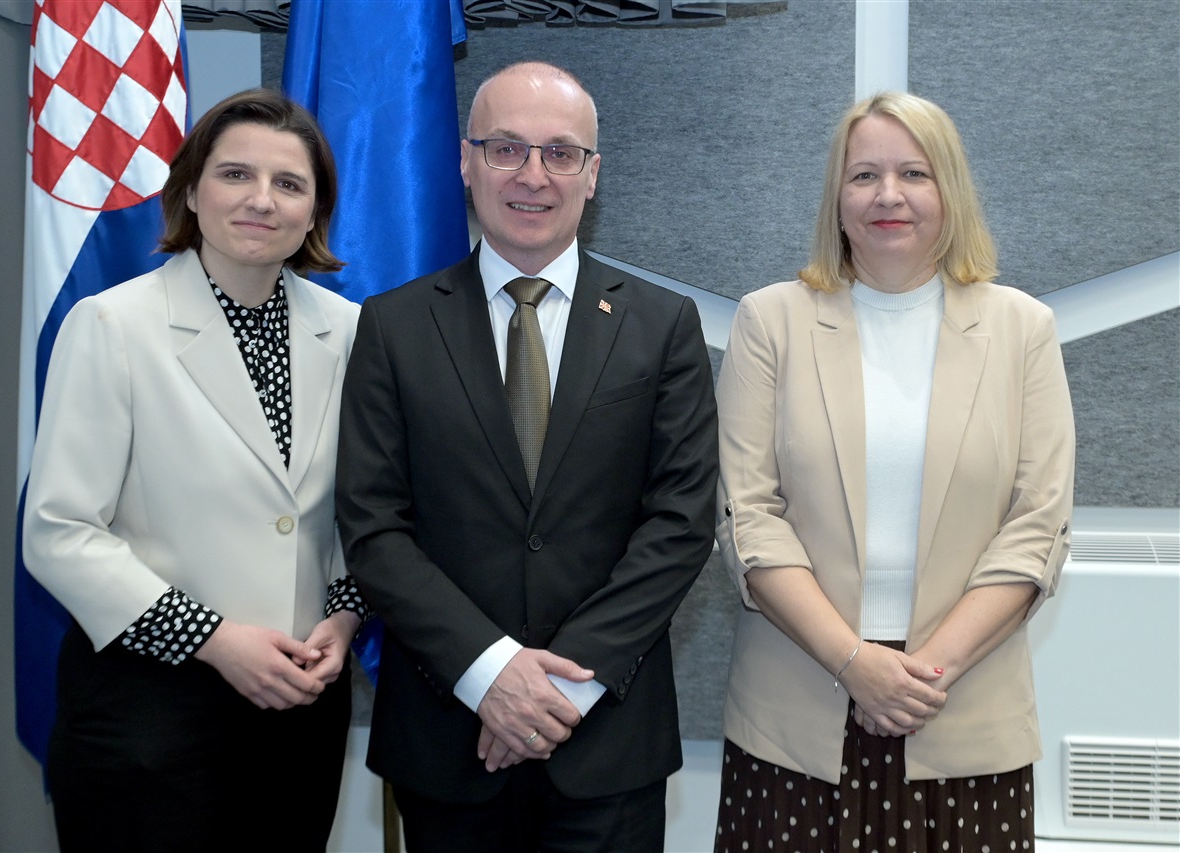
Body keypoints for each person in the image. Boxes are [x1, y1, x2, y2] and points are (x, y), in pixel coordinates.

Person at [336, 61, 719, 852]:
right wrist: (488, 674)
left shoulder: (663, 325)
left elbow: (681, 524)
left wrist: (556, 689)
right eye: (506, 148)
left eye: (560, 153)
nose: (533, 175)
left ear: (593, 174)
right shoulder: (393, 326)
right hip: (447, 740)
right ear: (466, 162)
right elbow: (373, 527)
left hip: (608, 742)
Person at [713, 91, 1075, 852]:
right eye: (864, 175)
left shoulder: (1023, 329)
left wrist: (920, 675)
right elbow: (749, 517)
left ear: (950, 191)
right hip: (797, 712)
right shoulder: (769, 321)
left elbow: (1038, 525)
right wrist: (855, 663)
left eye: (914, 173)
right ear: (837, 199)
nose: (888, 195)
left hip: (962, 709)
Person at [23, 89, 366, 852]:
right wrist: (212, 637)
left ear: (315, 212)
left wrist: (344, 616)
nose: (261, 199)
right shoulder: (112, 324)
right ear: (191, 190)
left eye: (289, 183)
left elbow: (365, 509)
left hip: (301, 709)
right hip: (149, 710)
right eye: (235, 174)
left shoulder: (351, 332)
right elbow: (58, 532)